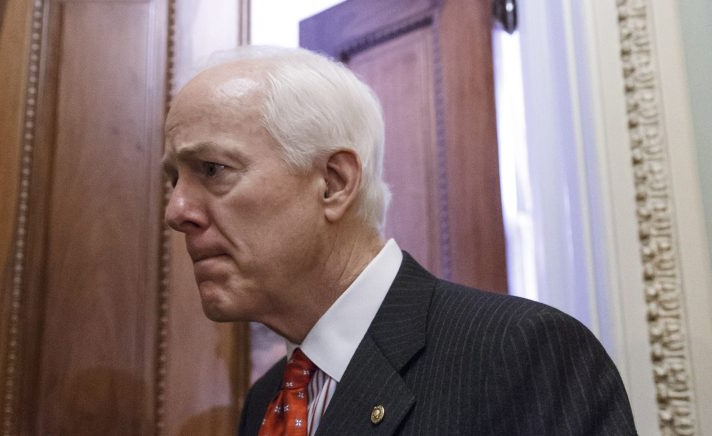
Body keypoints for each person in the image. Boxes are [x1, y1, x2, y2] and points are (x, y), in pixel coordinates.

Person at [162, 46, 637, 436]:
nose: (177, 211)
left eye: (212, 170)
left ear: (333, 183)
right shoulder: (268, 401)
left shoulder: (519, 354)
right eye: (174, 180)